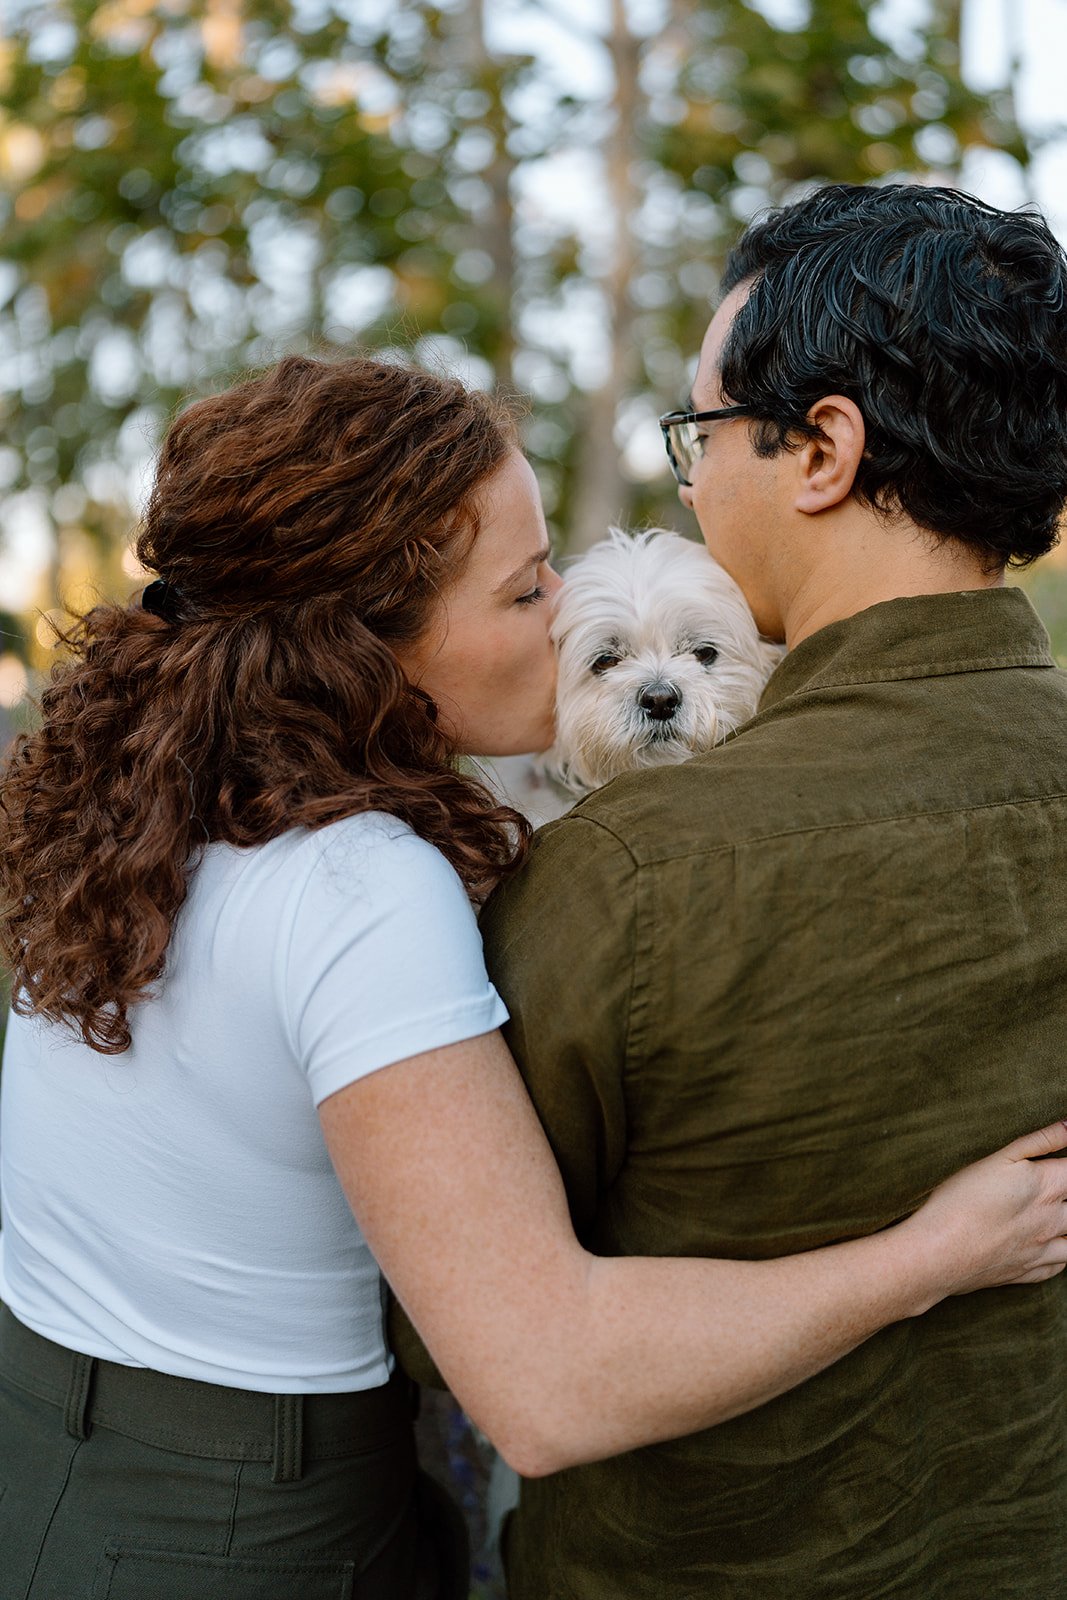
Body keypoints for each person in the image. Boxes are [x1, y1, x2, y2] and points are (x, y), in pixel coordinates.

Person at [0, 351, 1065, 1600]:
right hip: (247, 1525)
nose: (560, 608)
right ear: (365, 639)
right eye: (523, 589)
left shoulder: (161, 812)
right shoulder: (360, 884)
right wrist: (930, 1254)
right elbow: (545, 1386)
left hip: (48, 1442)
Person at [478, 183, 1067, 1599]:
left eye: (698, 437)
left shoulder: (621, 875)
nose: (688, 483)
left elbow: (482, 1341)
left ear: (820, 448)